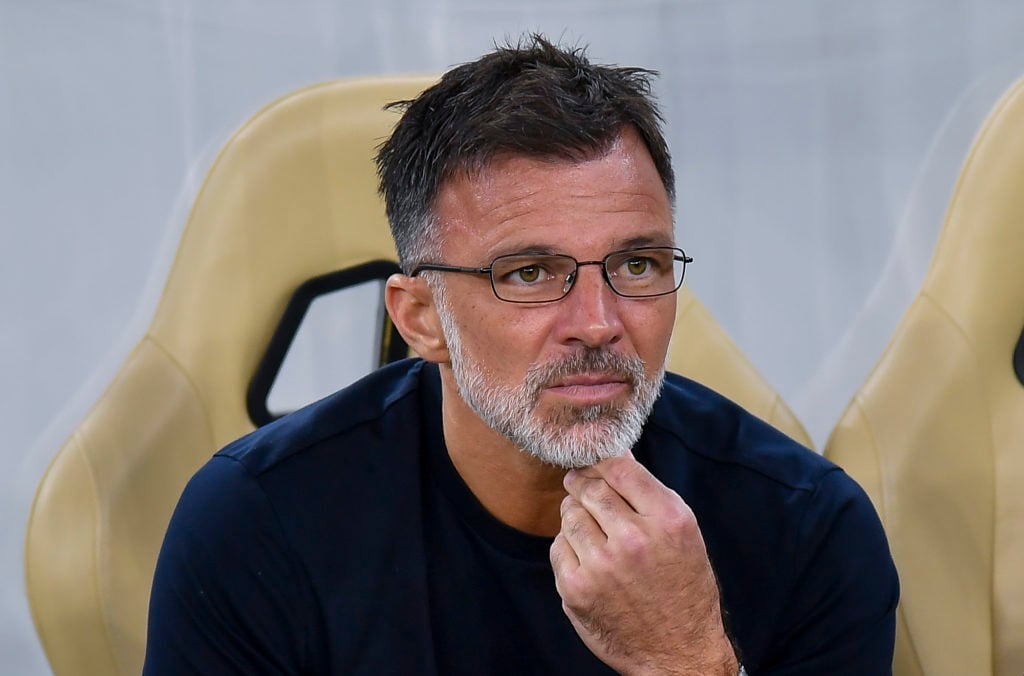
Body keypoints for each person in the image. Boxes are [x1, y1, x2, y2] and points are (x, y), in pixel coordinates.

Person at [143, 34, 898, 675]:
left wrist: (683, 656)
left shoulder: (810, 531)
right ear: (420, 318)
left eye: (637, 264)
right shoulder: (257, 524)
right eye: (530, 274)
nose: (599, 323)